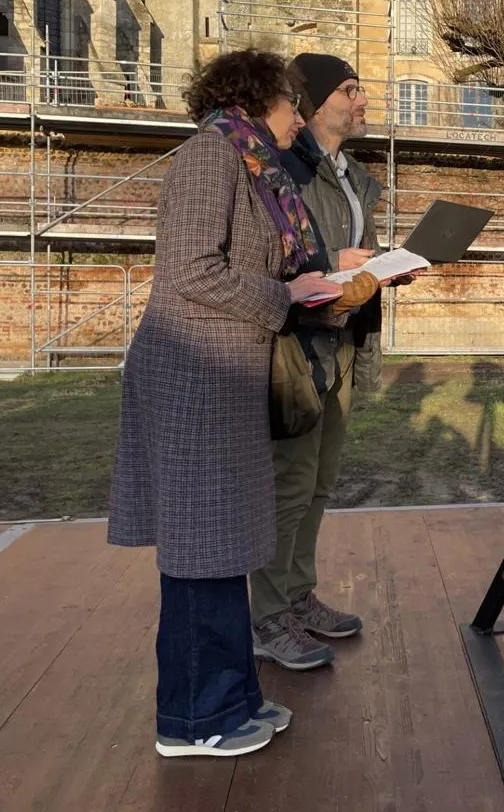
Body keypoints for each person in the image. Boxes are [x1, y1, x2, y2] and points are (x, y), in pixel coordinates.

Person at [106, 49, 378, 758]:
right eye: (291, 103)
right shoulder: (211, 155)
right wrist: (286, 295)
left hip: (227, 375)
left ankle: (234, 700)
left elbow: (251, 268)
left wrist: (318, 290)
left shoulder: (252, 163)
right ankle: (194, 721)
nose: (298, 118)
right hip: (193, 378)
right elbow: (192, 271)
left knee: (222, 548)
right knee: (201, 553)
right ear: (260, 100)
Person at [249, 53, 413, 669]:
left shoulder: (353, 177)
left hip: (343, 340)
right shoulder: (281, 169)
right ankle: (265, 616)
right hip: (297, 347)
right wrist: (335, 263)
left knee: (318, 484)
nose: (362, 99)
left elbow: (345, 257)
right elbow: (276, 254)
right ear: (315, 103)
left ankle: (296, 596)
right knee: (289, 486)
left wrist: (383, 266)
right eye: (349, 89)